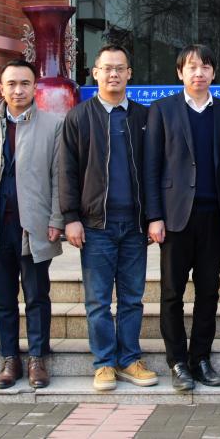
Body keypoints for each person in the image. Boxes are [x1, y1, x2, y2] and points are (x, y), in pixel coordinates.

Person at [59, 44, 158, 391]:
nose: (113, 74)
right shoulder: (78, 117)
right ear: (95, 73)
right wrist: (70, 217)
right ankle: (103, 363)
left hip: (134, 224)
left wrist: (154, 216)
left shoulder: (144, 117)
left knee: (131, 298)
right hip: (95, 225)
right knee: (98, 301)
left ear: (129, 74)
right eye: (107, 68)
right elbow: (66, 171)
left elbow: (154, 170)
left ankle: (129, 359)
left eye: (120, 68)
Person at [0, 59, 64, 389]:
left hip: (34, 225)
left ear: (35, 88)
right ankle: (9, 359)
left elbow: (59, 176)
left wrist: (57, 218)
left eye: (25, 83)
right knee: (3, 297)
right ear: (1, 88)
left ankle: (37, 358)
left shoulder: (53, 125)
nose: (18, 90)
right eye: (11, 84)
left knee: (37, 295)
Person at [144, 44, 220, 393]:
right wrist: (154, 216)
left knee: (209, 291)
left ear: (214, 72)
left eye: (205, 67)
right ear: (180, 73)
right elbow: (152, 166)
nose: (199, 73)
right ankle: (177, 362)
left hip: (213, 216)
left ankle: (201, 358)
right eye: (191, 67)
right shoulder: (163, 110)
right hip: (174, 217)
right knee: (172, 292)